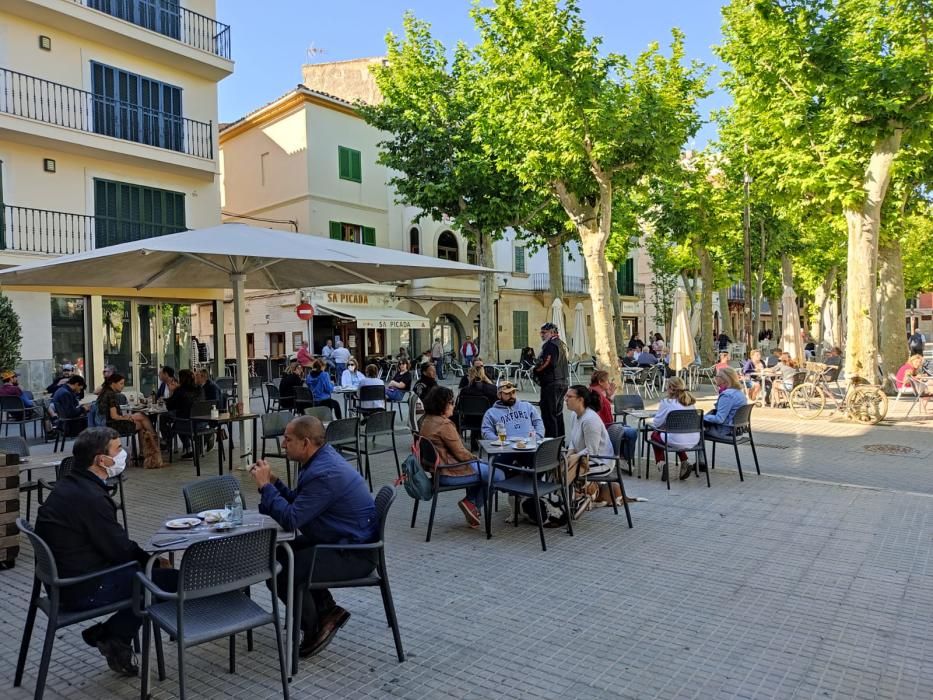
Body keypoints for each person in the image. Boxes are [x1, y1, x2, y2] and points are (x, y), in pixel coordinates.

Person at [35, 428, 177, 676]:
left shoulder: (71, 483)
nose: (123, 454)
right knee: (167, 581)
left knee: (148, 575)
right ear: (101, 460)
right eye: (118, 449)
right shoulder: (89, 497)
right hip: (81, 587)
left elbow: (113, 546)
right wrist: (151, 562)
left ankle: (113, 636)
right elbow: (119, 549)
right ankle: (112, 635)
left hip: (66, 579)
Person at [250, 416, 377, 658]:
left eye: (287, 440)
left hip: (353, 553)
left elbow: (292, 519)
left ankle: (314, 628)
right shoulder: (319, 461)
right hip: (339, 538)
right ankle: (327, 611)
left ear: (305, 442)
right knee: (275, 555)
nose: (283, 444)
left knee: (281, 573)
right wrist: (274, 482)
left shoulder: (323, 473)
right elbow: (299, 503)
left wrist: (266, 487)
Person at [419, 386, 504, 529]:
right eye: (451, 402)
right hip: (448, 473)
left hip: (436, 471)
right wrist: (476, 459)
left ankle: (471, 505)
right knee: (497, 475)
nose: (454, 405)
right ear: (442, 404)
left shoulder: (426, 420)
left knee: (485, 471)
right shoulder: (444, 424)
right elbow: (461, 453)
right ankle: (472, 504)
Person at [564, 385, 637, 512]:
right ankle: (568, 499)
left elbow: (592, 452)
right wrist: (570, 453)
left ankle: (568, 502)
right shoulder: (574, 415)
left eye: (569, 396)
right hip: (586, 458)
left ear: (580, 400)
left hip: (601, 462)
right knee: (560, 464)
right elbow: (573, 441)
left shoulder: (590, 419)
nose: (565, 399)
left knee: (564, 469)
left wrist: (573, 458)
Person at [97, 373, 161, 468]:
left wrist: (127, 417)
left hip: (107, 424)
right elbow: (114, 416)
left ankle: (145, 450)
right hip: (113, 425)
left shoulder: (104, 392)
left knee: (141, 419)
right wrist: (127, 417)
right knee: (142, 418)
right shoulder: (110, 395)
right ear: (113, 383)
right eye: (121, 383)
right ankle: (154, 440)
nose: (123, 386)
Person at [650, 377, 701, 481]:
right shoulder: (690, 402)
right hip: (694, 439)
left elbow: (656, 423)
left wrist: (663, 424)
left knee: (654, 435)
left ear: (669, 388)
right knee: (674, 435)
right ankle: (684, 462)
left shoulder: (666, 402)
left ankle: (661, 462)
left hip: (676, 438)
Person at [534, 322, 570, 438]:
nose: (542, 335)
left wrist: (536, 370)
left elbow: (548, 363)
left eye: (544, 332)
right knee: (557, 414)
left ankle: (551, 444)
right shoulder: (562, 344)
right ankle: (560, 441)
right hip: (562, 382)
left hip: (552, 383)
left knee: (549, 415)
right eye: (541, 332)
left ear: (552, 332)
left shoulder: (551, 345)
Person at [703, 368, 748, 445]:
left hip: (726, 432)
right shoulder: (740, 393)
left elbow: (719, 419)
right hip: (737, 432)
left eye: (717, 376)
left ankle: (699, 457)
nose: (715, 378)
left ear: (724, 380)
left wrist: (701, 417)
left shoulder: (727, 395)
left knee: (695, 429)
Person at [165, 369, 200, 458]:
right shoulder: (199, 389)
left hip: (187, 423)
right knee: (179, 419)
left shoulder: (180, 391)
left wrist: (172, 391)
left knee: (172, 420)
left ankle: (168, 441)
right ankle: (185, 446)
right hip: (202, 422)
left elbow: (170, 406)